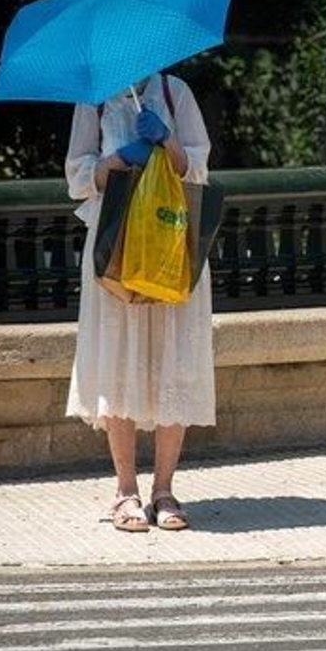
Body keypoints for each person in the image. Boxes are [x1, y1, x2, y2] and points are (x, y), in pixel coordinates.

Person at [65, 71, 215, 532]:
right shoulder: (92, 101)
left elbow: (200, 168)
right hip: (116, 244)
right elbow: (77, 177)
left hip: (170, 243)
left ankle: (164, 489)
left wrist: (166, 141)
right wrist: (117, 159)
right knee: (118, 359)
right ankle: (125, 491)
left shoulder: (176, 92)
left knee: (174, 359)